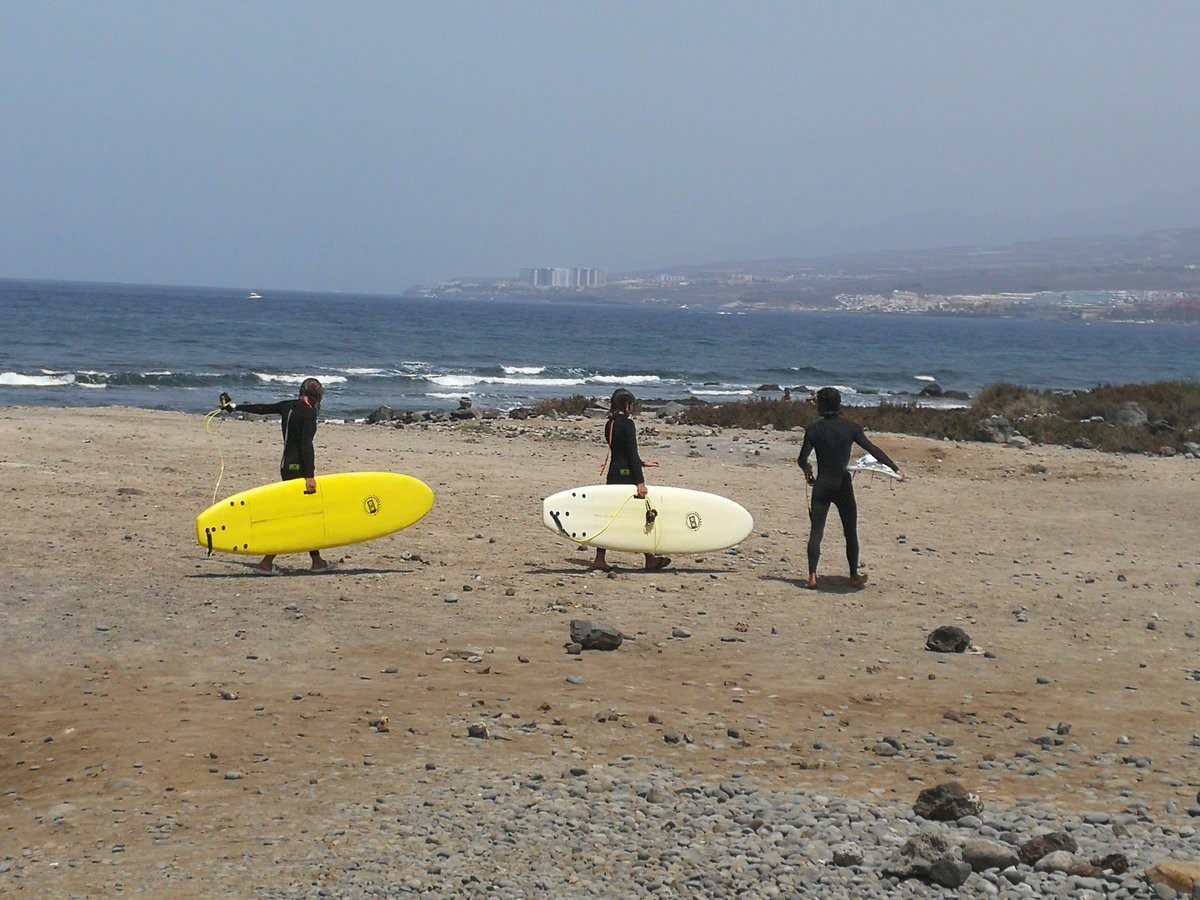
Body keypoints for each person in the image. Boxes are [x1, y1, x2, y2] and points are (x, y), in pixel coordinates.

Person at [219, 378, 334, 575]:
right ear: (316, 395)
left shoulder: (287, 406)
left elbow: (263, 408)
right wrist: (310, 476)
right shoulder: (308, 413)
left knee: (302, 513)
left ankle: (316, 560)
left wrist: (234, 407)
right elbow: (306, 445)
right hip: (299, 470)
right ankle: (267, 562)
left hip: (286, 466)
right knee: (293, 516)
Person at [797, 387, 904, 589]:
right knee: (850, 531)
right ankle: (853, 575)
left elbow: (802, 459)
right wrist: (894, 468)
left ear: (820, 405)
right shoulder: (851, 428)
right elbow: (873, 450)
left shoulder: (813, 430)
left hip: (822, 485)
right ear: (839, 404)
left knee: (816, 531)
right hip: (842, 485)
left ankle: (812, 576)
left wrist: (808, 471)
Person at [590, 388, 671, 573]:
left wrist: (642, 463)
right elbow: (631, 454)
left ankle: (599, 559)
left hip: (614, 473)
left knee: (610, 516)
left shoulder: (609, 424)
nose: (633, 408)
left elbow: (620, 452)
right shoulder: (628, 424)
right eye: (632, 405)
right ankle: (650, 560)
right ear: (626, 405)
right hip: (627, 476)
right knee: (641, 515)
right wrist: (640, 482)